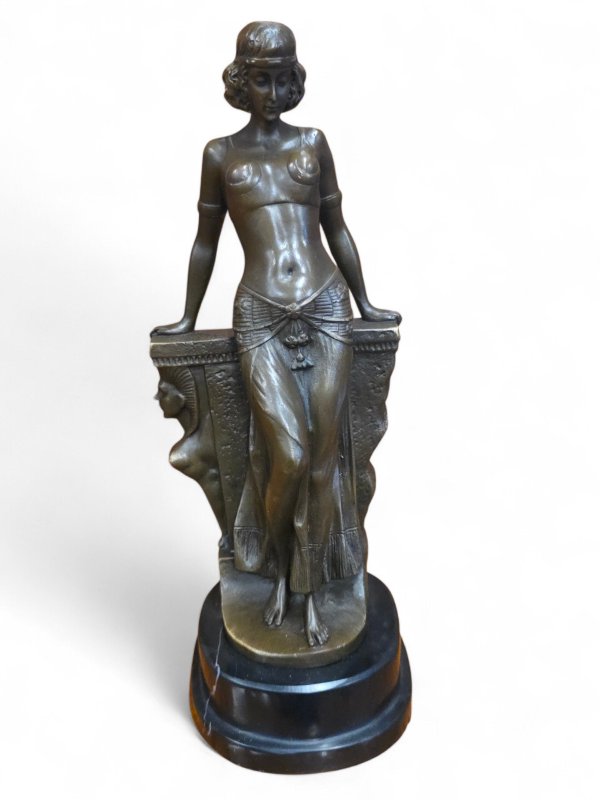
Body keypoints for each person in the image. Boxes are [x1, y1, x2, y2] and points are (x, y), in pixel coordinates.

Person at [152, 21, 400, 647]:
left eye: (281, 79)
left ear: (294, 82)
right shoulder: (220, 155)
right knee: (287, 455)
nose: (270, 92)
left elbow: (337, 228)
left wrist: (366, 302)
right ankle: (272, 562)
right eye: (259, 80)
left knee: (320, 458)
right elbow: (206, 243)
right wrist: (186, 317)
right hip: (260, 312)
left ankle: (305, 585)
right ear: (241, 82)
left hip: (325, 305)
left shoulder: (312, 144)